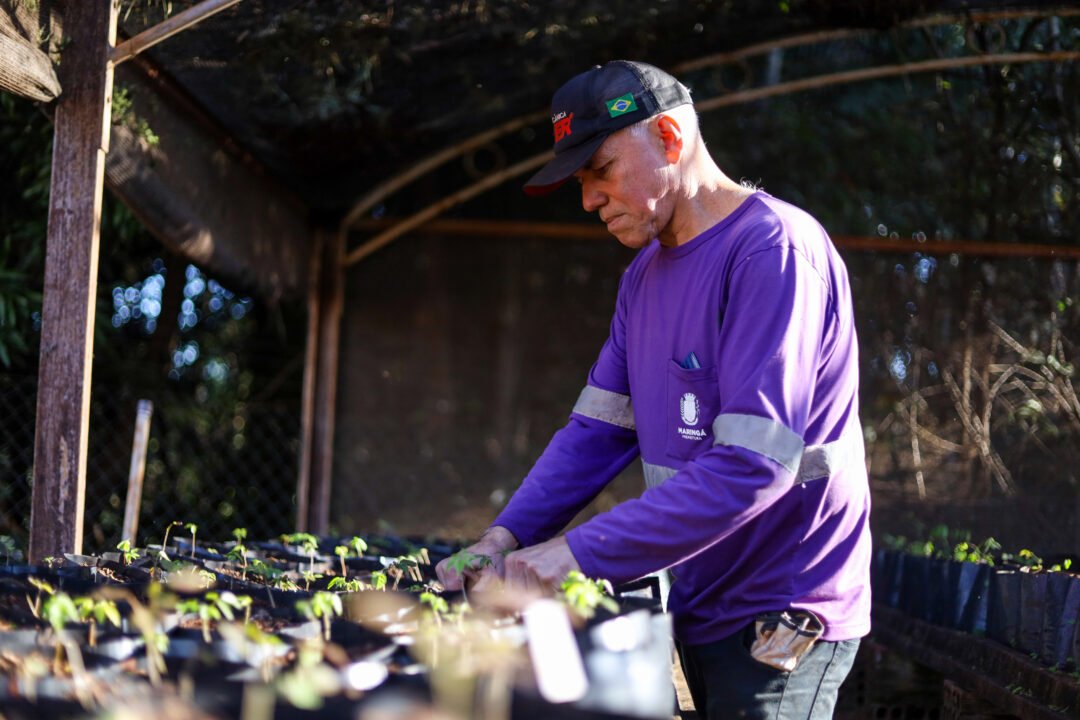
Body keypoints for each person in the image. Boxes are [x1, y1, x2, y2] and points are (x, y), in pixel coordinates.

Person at [435, 60, 871, 720]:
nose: (588, 200)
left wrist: (575, 554)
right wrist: (505, 536)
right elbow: (597, 433)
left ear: (670, 136)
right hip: (702, 595)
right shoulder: (642, 280)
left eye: (601, 171)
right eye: (580, 181)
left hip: (782, 611)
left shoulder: (773, 252)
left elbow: (754, 467)